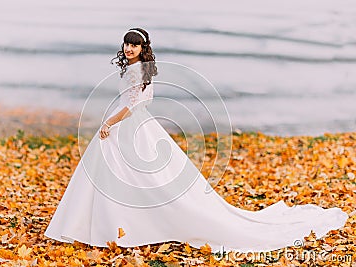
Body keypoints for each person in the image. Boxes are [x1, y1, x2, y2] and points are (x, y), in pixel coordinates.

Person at [44, 28, 348, 253]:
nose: (129, 48)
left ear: (143, 48)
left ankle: (117, 226)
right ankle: (110, 225)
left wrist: (109, 121)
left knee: (132, 175)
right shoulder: (138, 69)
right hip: (136, 124)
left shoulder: (139, 71)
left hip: (130, 123)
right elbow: (141, 100)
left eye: (134, 45)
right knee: (118, 174)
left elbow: (135, 103)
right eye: (126, 44)